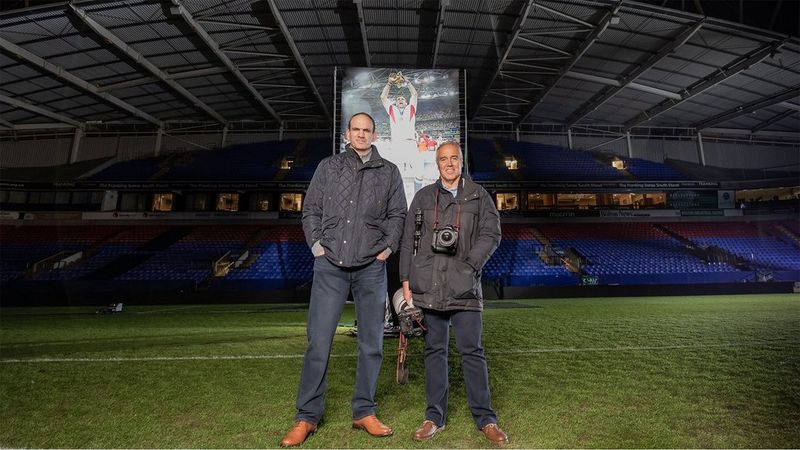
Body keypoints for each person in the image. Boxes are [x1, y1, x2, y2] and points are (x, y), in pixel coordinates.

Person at [280, 112, 407, 447]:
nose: (361, 134)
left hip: (371, 267)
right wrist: (317, 246)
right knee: (318, 343)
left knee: (372, 344)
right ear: (347, 133)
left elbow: (398, 215)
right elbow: (311, 210)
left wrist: (388, 248)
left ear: (374, 134)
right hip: (330, 265)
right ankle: (307, 416)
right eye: (356, 129)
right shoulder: (328, 166)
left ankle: (363, 411)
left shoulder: (390, 172)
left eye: (367, 130)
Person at [398, 141, 508, 445]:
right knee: (435, 352)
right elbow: (409, 240)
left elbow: (492, 233)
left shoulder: (477, 195)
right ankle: (434, 417)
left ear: (461, 162)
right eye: (443, 159)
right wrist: (406, 277)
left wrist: (470, 265)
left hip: (464, 287)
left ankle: (485, 419)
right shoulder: (422, 197)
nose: (449, 164)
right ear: (437, 164)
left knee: (472, 352)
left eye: (454, 158)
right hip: (429, 286)